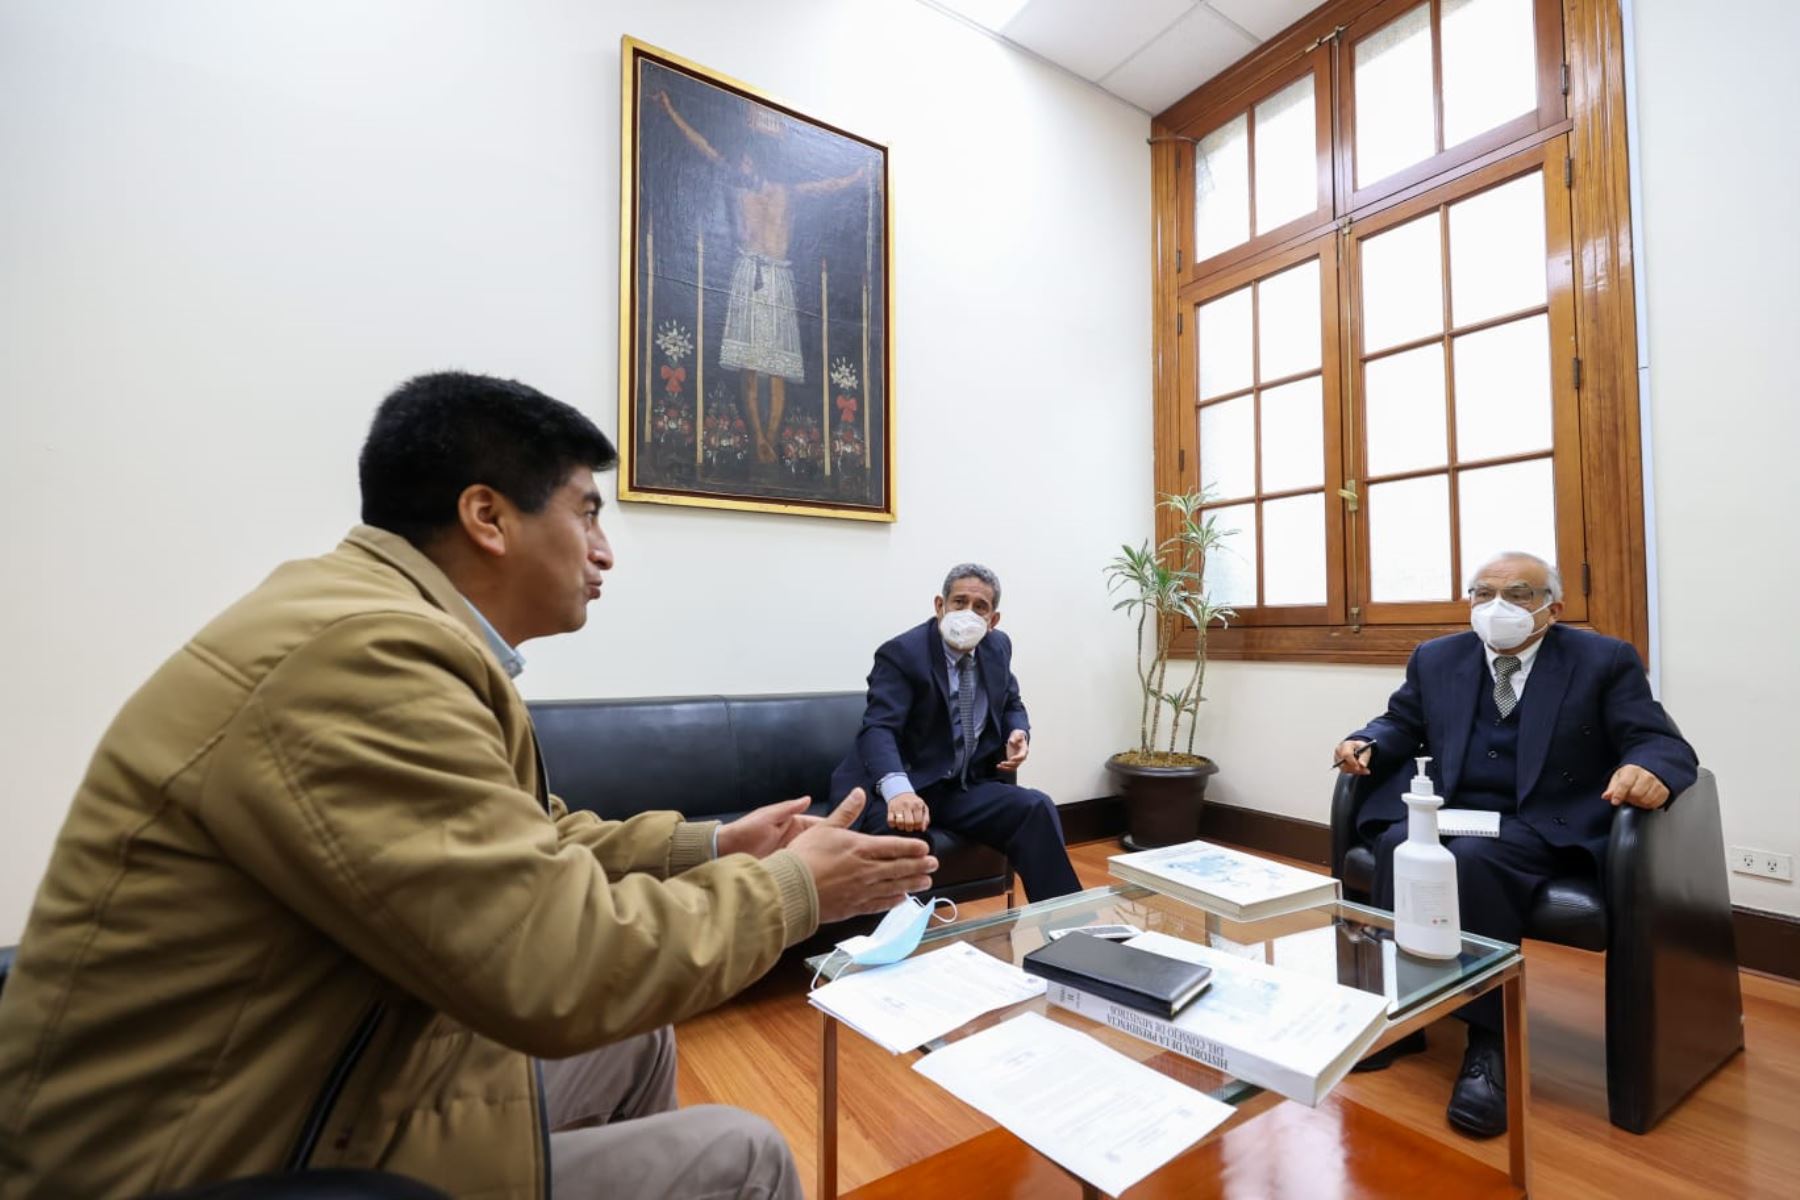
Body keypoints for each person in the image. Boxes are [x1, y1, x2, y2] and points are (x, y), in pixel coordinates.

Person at [0, 372, 936, 1199]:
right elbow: (558, 969)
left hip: (325, 1072)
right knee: (745, 1154)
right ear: (487, 517)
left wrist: (716, 845)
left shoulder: (375, 627)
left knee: (633, 1036)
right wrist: (800, 888)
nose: (604, 550)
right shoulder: (365, 661)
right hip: (210, 1159)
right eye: (587, 512)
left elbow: (531, 836)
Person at [1332, 550, 1696, 1139]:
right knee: (1402, 843)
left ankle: (1489, 1042)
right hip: (1449, 808)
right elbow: (1401, 722)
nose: (1498, 606)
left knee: (1470, 863)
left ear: (1552, 607)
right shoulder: (1437, 657)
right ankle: (1404, 1014)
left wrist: (1648, 770)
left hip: (1539, 821)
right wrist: (1366, 740)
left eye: (1519, 593)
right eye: (1483, 593)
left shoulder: (1602, 659)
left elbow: (1657, 741)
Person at [829, 564, 1082, 903]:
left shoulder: (997, 647)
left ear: (993, 620)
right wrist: (899, 792)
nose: (968, 613)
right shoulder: (903, 653)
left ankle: (1070, 930)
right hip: (903, 783)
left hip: (958, 786)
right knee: (898, 835)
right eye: (959, 602)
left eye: (980, 607)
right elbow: (879, 729)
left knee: (1035, 807)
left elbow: (1011, 701)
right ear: (939, 606)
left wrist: (1017, 731)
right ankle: (890, 944)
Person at [651, 86, 867, 464]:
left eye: (748, 159)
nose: (743, 164)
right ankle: (759, 442)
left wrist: (859, 176)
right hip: (748, 273)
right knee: (750, 368)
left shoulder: (786, 190)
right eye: (742, 160)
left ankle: (770, 437)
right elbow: (703, 148)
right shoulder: (737, 187)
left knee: (777, 369)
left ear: (760, 161)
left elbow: (827, 185)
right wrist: (670, 110)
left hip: (778, 278)